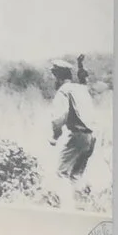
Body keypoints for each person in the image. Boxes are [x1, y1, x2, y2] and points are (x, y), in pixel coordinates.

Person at [50, 58, 101, 207]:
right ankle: (84, 205)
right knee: (76, 175)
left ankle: (66, 208)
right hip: (91, 137)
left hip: (78, 136)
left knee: (61, 173)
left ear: (58, 77)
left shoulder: (63, 91)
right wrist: (80, 66)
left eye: (55, 76)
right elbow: (84, 79)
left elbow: (60, 116)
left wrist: (55, 136)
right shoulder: (80, 88)